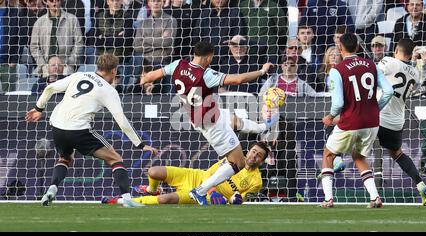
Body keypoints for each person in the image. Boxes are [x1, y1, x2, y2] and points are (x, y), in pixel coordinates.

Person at [140, 41, 273, 205]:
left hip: (205, 115)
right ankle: (200, 191)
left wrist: (145, 78)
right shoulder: (205, 75)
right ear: (209, 57)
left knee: (233, 119)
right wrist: (262, 71)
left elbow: (154, 75)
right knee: (238, 163)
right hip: (211, 123)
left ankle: (263, 126)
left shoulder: (177, 64)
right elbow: (239, 79)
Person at [25, 54, 158, 207]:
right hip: (79, 129)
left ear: (98, 67)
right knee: (115, 158)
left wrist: (38, 108)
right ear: (114, 71)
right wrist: (140, 144)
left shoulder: (79, 75)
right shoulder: (109, 91)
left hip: (57, 126)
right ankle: (127, 199)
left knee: (65, 158)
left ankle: (52, 189)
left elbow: (50, 87)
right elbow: (121, 120)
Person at [319, 33, 394, 208]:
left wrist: (330, 117)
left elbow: (338, 103)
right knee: (358, 156)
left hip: (351, 121)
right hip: (372, 122)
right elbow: (389, 91)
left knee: (328, 154)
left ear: (340, 48)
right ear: (359, 47)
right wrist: (376, 108)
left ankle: (328, 198)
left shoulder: (338, 69)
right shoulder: (372, 65)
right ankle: (375, 197)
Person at [102, 142, 269, 205]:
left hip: (207, 195)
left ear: (261, 161)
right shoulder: (234, 155)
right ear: (248, 151)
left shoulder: (256, 181)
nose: (254, 155)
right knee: (154, 171)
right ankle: (153, 189)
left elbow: (237, 200)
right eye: (253, 151)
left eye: (258, 155)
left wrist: (232, 199)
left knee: (165, 199)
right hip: (196, 175)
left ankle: (122, 201)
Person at [376, 38, 426, 206]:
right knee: (397, 154)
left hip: (378, 116)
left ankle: (336, 162)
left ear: (395, 50)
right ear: (410, 54)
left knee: (355, 145)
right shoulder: (415, 73)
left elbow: (372, 74)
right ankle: (421, 185)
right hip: (396, 121)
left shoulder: (388, 61)